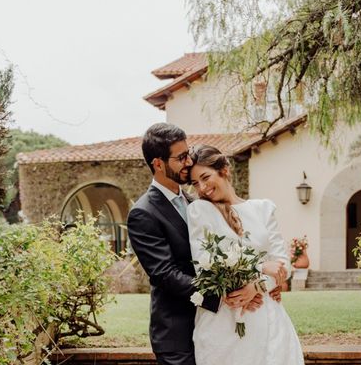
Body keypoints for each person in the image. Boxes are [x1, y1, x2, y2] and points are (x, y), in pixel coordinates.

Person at [127, 123, 271, 365]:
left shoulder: (197, 202)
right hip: (177, 334)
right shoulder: (144, 213)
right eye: (181, 157)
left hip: (214, 327)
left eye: (188, 152)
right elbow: (165, 274)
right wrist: (227, 295)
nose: (188, 161)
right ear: (158, 164)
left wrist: (251, 285)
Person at [187, 144, 305, 365]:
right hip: (224, 317)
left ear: (224, 170)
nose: (202, 188)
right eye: (195, 183)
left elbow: (282, 265)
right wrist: (261, 266)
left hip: (266, 313)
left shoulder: (263, 209)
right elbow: (206, 262)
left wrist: (256, 287)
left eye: (205, 177)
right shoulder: (200, 210)